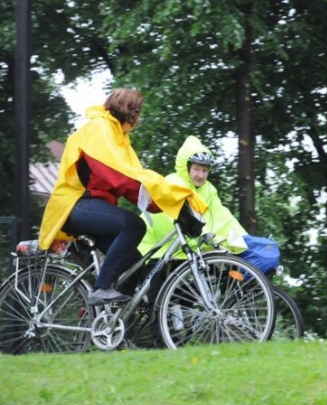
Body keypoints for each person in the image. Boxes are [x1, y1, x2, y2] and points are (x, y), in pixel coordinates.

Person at [38, 88, 207, 306]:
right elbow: (119, 175)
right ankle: (102, 288)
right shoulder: (100, 128)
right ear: (127, 110)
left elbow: (134, 185)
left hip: (94, 207)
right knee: (134, 225)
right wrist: (170, 197)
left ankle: (114, 319)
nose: (137, 118)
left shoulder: (119, 136)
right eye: (136, 112)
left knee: (134, 265)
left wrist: (168, 203)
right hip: (76, 204)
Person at [138, 136, 279, 274]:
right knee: (156, 289)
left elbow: (223, 218)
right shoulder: (174, 183)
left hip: (182, 252)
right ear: (187, 168)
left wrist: (242, 240)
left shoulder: (209, 189)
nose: (200, 175)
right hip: (154, 248)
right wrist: (209, 239)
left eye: (204, 170)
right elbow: (172, 223)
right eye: (196, 169)